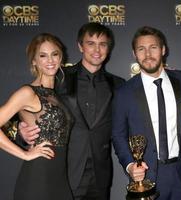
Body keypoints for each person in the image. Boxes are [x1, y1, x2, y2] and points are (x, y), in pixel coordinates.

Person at [19, 22, 125, 200]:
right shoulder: (59, 77)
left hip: (100, 174)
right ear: (80, 46)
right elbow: (30, 103)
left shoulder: (118, 84)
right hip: (64, 170)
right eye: (90, 43)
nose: (97, 50)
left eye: (103, 44)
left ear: (109, 48)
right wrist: (23, 132)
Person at [112, 26, 181, 200]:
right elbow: (118, 135)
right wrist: (130, 165)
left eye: (153, 47)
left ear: (163, 50)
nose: (148, 54)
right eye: (141, 49)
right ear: (134, 54)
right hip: (146, 176)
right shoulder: (124, 92)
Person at [1, 33, 73, 200]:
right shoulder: (28, 92)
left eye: (55, 54)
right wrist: (24, 154)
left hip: (60, 179)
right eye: (43, 55)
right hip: (38, 179)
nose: (50, 60)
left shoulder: (56, 95)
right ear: (34, 61)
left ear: (61, 57)